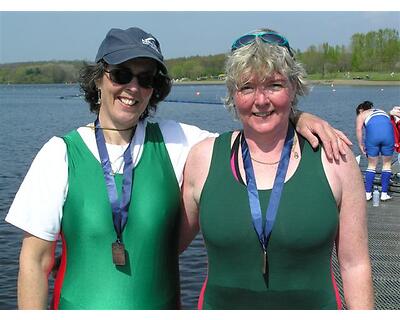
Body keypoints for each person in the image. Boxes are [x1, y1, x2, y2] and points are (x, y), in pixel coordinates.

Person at [6, 27, 351, 310]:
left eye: (147, 79)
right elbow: (35, 263)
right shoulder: (60, 155)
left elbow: (258, 129)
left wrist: (299, 116)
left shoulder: (177, 141)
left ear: (156, 89)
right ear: (99, 80)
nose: (133, 88)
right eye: (122, 74)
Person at [181, 29, 374, 309]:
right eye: (247, 86)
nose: (261, 100)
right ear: (233, 95)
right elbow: (163, 246)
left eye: (274, 85)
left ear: (294, 88)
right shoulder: (203, 158)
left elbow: (355, 265)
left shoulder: (335, 158)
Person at [356, 101, 395, 201]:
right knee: (386, 165)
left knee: (371, 165)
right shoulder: (382, 111)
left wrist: (361, 144)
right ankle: (384, 194)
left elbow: (359, 130)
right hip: (388, 136)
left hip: (373, 137)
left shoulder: (361, 115)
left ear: (361, 110)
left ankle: (368, 194)